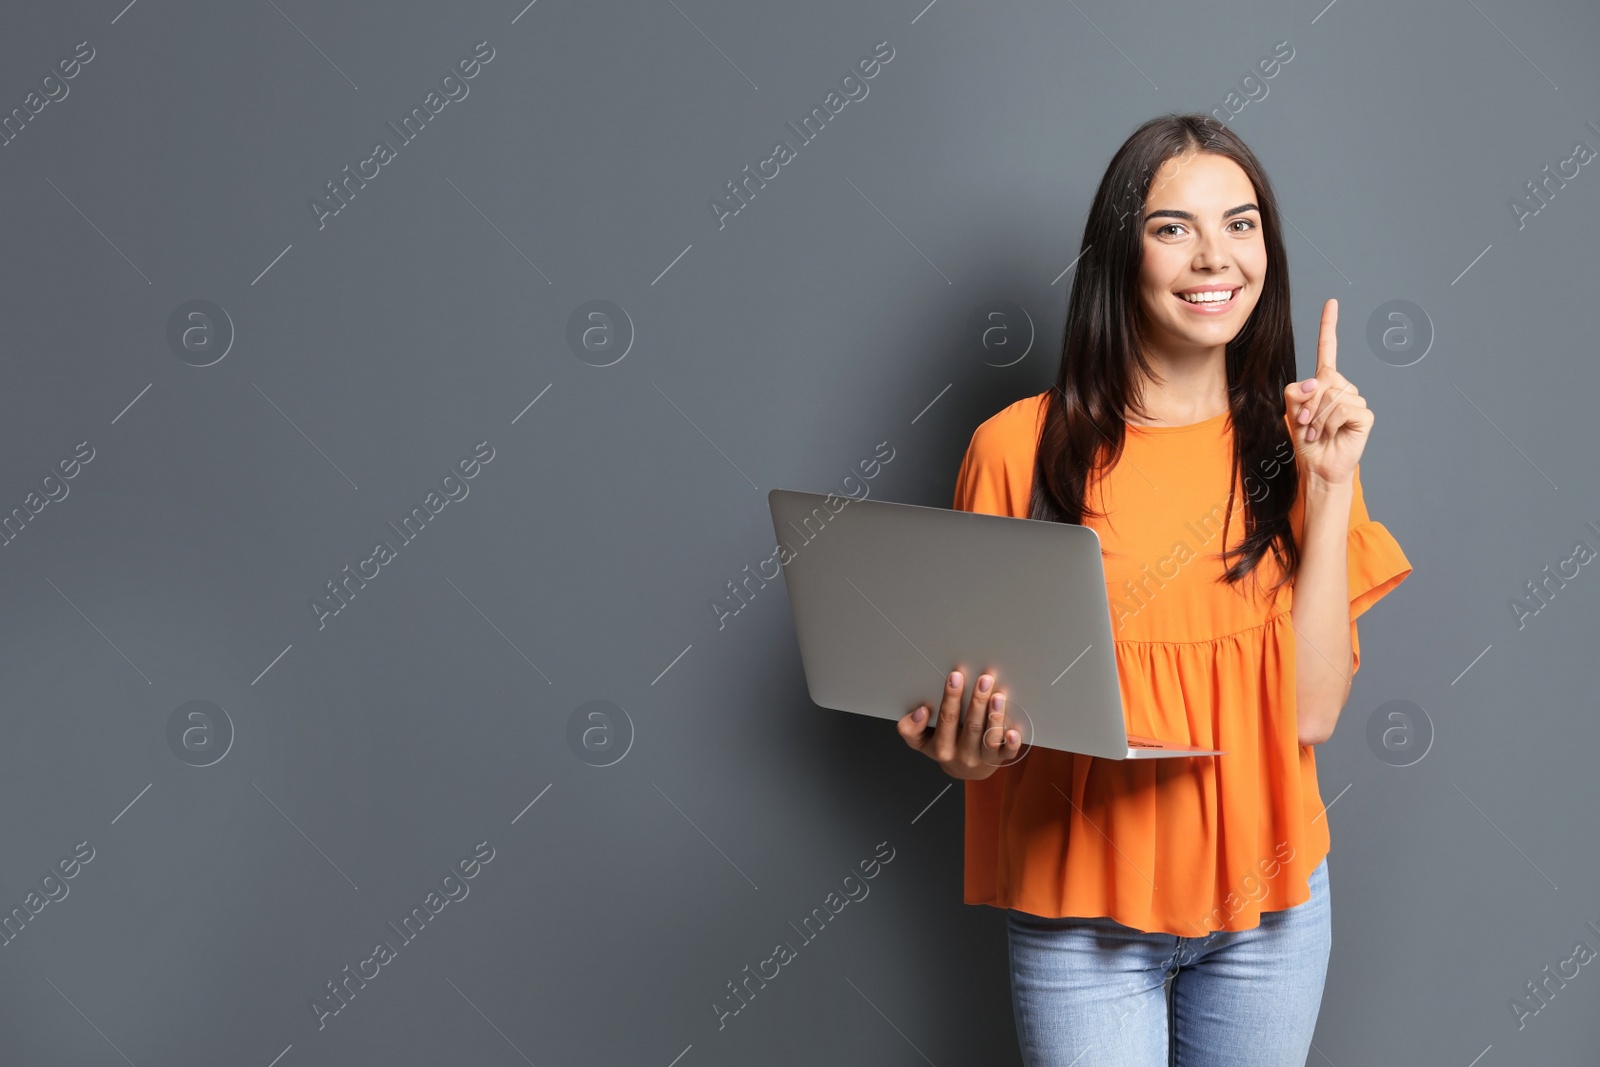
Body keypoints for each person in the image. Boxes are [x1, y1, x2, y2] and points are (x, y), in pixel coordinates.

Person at [895, 113, 1413, 1066]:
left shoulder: (1303, 448)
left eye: (1241, 223)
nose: (1216, 256)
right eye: (1173, 226)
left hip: (1272, 917)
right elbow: (977, 728)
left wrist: (1330, 485)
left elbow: (1311, 714)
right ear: (1117, 254)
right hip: (1080, 918)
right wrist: (963, 751)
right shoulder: (1013, 449)